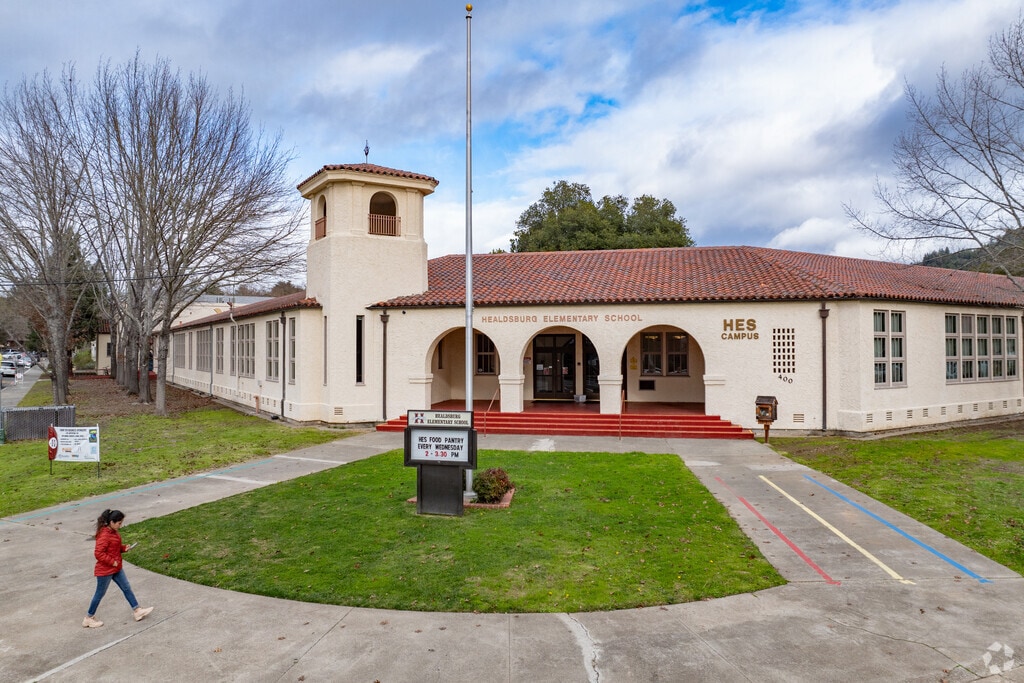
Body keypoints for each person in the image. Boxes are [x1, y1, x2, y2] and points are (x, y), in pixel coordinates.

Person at [83, 509, 154, 628]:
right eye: (119, 523)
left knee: (126, 587)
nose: (120, 525)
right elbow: (98, 553)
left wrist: (124, 548)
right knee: (99, 594)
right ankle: (88, 618)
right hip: (105, 570)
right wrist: (112, 562)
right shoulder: (104, 535)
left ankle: (137, 610)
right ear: (112, 522)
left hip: (116, 568)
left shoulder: (113, 532)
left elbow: (113, 548)